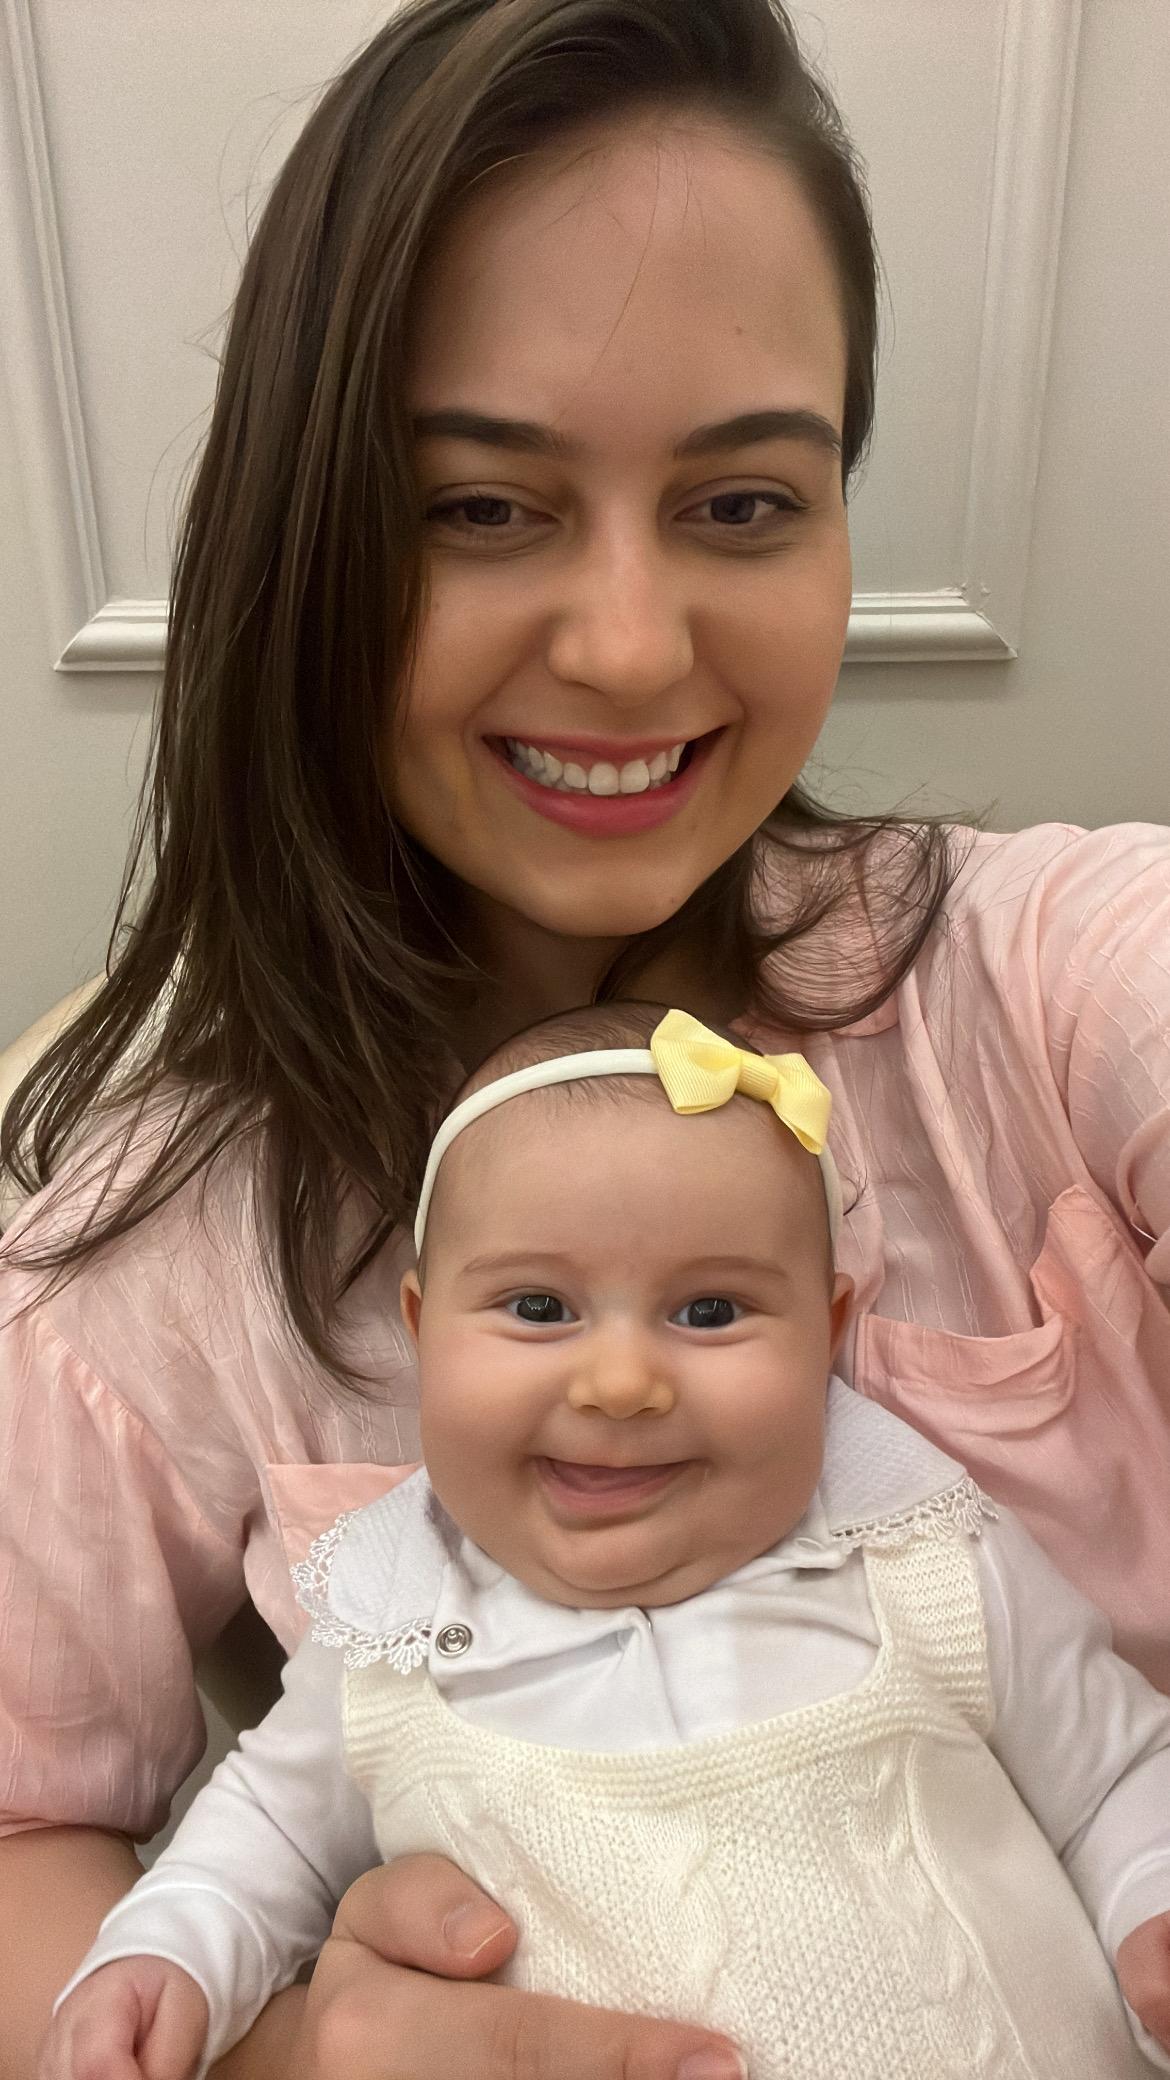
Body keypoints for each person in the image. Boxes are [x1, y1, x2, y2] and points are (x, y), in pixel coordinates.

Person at [1, 0, 1167, 2075]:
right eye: (480, 508)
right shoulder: (140, 1260)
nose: (630, 651)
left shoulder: (1060, 981)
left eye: (743, 504)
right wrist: (281, 2054)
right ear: (305, 534)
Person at [35, 1006, 1170, 2080]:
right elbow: (262, 1843)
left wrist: (1152, 1905)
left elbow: (1116, 1773)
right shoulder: (389, 1629)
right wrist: (167, 1956)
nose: (621, 1382)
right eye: (538, 1309)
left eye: (710, 1311)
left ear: (825, 1331)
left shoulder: (924, 1555)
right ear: (425, 1329)